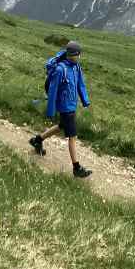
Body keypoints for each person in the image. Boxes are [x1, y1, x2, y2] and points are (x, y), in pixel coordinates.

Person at [30, 41, 92, 178]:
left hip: (71, 105)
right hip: (65, 107)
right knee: (72, 136)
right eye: (79, 54)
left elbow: (80, 84)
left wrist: (85, 100)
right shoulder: (60, 70)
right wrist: (51, 110)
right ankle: (76, 167)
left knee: (61, 126)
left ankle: (38, 140)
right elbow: (52, 91)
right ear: (74, 55)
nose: (80, 57)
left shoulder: (76, 67)